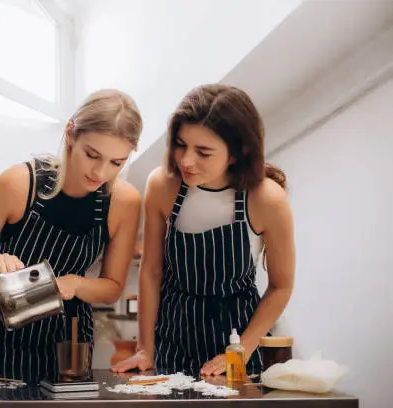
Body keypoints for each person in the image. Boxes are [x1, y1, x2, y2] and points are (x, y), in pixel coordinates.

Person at [0, 89, 143, 382]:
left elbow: (112, 287)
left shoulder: (124, 202)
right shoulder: (18, 184)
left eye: (117, 162)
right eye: (92, 155)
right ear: (71, 134)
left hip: (68, 342)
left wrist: (74, 283)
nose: (101, 172)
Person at [111, 84, 295, 377]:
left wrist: (241, 351)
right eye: (181, 144)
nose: (186, 160)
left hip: (238, 345)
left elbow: (280, 287)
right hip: (172, 342)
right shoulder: (162, 185)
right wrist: (145, 348)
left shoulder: (266, 199)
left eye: (203, 152)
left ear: (237, 153)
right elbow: (151, 272)